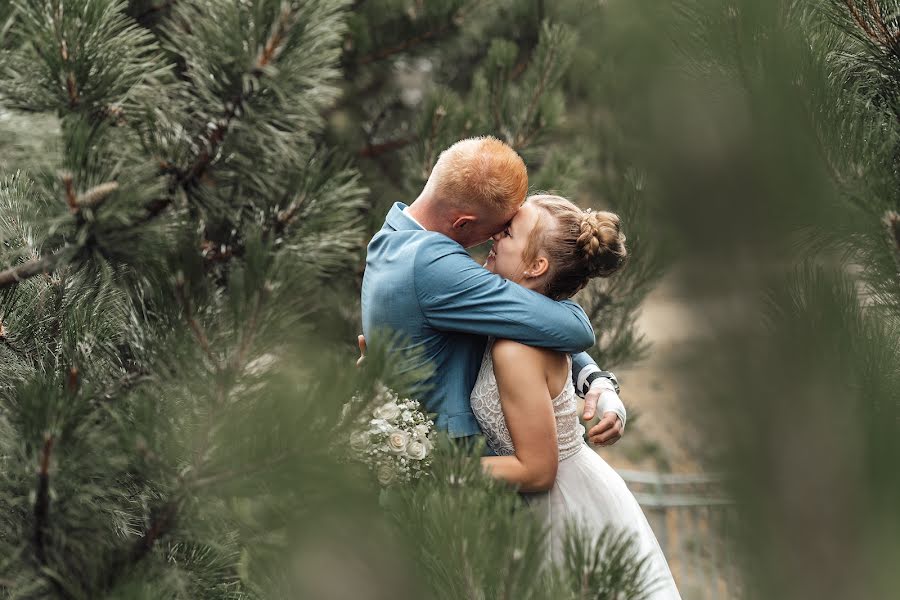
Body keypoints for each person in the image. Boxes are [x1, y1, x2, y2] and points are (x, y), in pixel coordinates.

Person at [472, 194, 680, 598]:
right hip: (572, 494)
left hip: (563, 509)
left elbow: (537, 471)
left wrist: (441, 467)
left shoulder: (515, 348)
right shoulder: (529, 325)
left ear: (536, 266)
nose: (496, 234)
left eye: (509, 231)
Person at [361, 136, 626, 447]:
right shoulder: (431, 264)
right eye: (500, 227)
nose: (497, 238)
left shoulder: (393, 238)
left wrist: (594, 377)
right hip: (456, 471)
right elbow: (574, 327)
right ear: (462, 224)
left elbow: (516, 315)